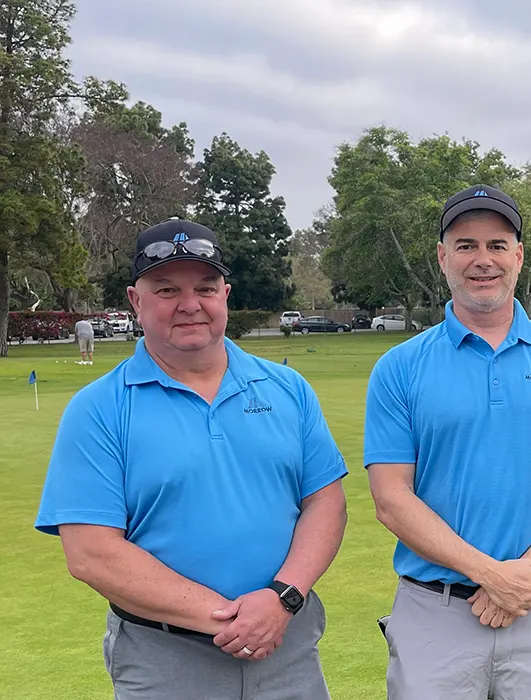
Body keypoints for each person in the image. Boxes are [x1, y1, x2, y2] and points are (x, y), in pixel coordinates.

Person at [35, 217, 349, 700]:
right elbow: (91, 553)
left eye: (205, 287)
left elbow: (325, 503)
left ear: (225, 293)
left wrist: (281, 600)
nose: (189, 304)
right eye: (165, 290)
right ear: (135, 302)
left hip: (287, 646)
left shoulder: (287, 389)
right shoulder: (98, 408)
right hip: (166, 660)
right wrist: (234, 619)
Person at [365, 184, 531, 699]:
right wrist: (489, 574)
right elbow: (391, 499)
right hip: (434, 614)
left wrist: (520, 578)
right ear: (443, 257)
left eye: (497, 245)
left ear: (519, 256)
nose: (482, 260)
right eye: (465, 245)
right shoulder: (399, 367)